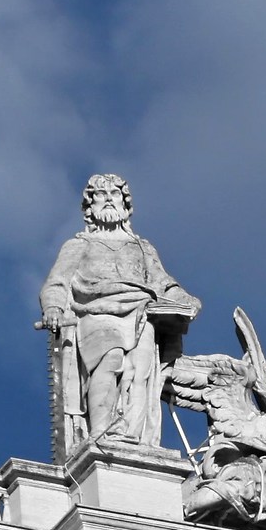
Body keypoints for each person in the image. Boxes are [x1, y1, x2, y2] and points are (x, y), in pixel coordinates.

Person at [38, 175, 199, 453]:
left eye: (115, 193)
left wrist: (183, 298)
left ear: (126, 205)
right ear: (90, 206)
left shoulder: (142, 247)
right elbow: (56, 283)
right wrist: (53, 307)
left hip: (141, 313)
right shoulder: (79, 245)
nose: (110, 198)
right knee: (109, 359)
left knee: (139, 375)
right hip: (96, 312)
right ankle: (102, 433)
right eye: (101, 194)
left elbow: (163, 282)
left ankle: (132, 438)